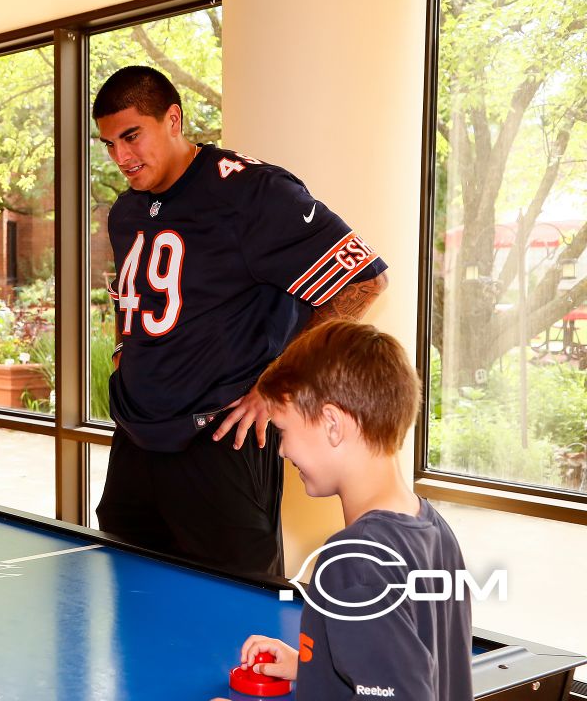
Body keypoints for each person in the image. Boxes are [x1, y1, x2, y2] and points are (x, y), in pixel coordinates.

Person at [92, 66, 389, 577]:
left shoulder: (249, 192)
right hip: (136, 444)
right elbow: (141, 303)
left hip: (221, 443)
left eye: (131, 136)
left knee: (235, 618)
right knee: (130, 601)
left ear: (173, 119)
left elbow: (363, 281)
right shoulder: (126, 212)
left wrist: (276, 383)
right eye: (109, 143)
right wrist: (125, 354)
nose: (121, 156)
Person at [218, 320, 472, 700]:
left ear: (333, 424)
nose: (282, 451)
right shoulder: (435, 530)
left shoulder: (352, 562)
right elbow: (412, 665)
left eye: (284, 431)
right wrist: (314, 665)